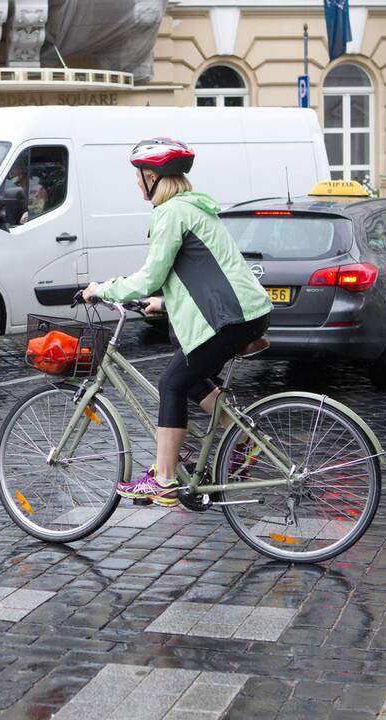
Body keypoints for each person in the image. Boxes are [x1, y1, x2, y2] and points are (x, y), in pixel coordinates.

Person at [81, 137, 273, 507]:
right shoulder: (194, 208)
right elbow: (204, 270)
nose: (137, 183)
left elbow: (152, 274)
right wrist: (163, 301)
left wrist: (102, 289)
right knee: (191, 381)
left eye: (139, 176)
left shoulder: (170, 212)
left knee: (171, 381)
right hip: (245, 313)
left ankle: (164, 479)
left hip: (230, 318)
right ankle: (245, 440)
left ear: (153, 176)